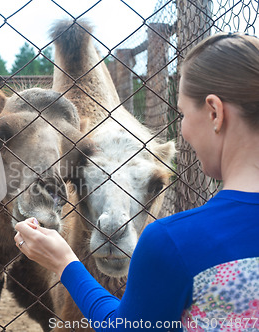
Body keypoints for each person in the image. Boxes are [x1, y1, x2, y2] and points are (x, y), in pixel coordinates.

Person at [14, 32, 259, 331]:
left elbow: (127, 327)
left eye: (181, 113)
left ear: (214, 113)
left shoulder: (174, 242)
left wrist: (65, 263)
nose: (182, 131)